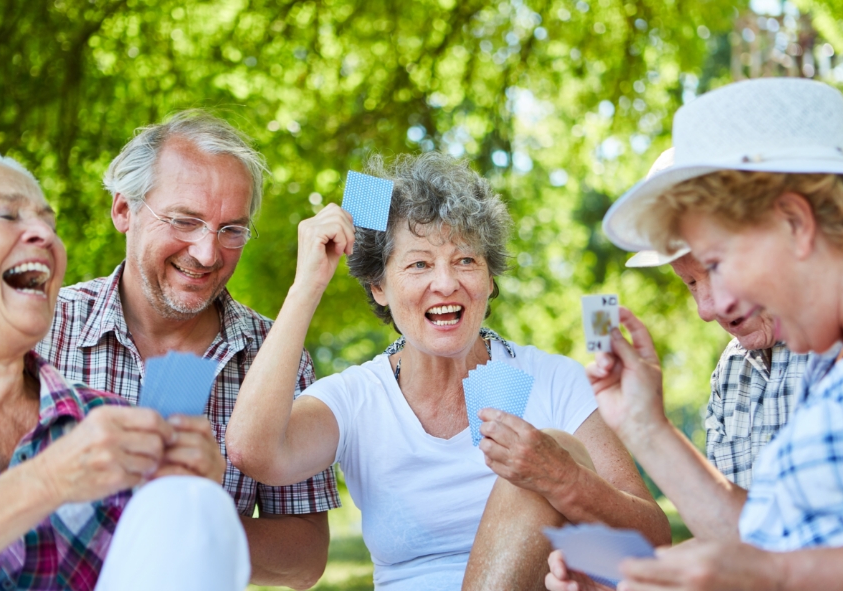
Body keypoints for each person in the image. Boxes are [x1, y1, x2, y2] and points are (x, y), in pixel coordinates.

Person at [548, 78, 843, 590]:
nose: (717, 305)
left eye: (718, 262)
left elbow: (778, 569)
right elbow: (761, 544)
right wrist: (643, 429)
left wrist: (779, 575)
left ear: (795, 222)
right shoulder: (832, 355)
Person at [225, 152, 671, 590]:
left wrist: (563, 478)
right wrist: (308, 284)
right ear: (379, 287)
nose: (445, 282)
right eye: (419, 263)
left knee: (553, 449)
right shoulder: (356, 397)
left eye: (466, 260)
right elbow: (253, 452)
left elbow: (654, 539)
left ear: (491, 279)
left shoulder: (555, 380)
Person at [34, 111, 339, 589]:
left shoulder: (274, 356)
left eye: (231, 230)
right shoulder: (44, 330)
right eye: (184, 221)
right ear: (123, 211)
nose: (206, 253)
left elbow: (306, 557)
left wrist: (196, 518)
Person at [0, 149, 249, 591]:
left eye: (49, 224)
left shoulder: (108, 429)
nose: (43, 234)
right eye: (6, 215)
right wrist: (47, 481)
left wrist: (190, 509)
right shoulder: (83, 450)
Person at [625, 148, 808, 489]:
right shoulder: (731, 369)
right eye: (691, 283)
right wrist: (645, 422)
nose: (707, 310)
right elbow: (735, 528)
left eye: (717, 269)